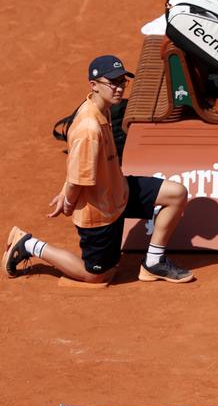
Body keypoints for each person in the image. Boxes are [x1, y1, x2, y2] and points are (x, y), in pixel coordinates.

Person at [3, 55, 194, 284]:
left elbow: (76, 161)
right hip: (100, 213)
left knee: (176, 194)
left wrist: (66, 190)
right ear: (93, 85)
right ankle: (29, 244)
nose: (119, 88)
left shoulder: (102, 108)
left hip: (118, 191)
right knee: (97, 276)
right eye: (112, 82)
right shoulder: (89, 128)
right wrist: (69, 200)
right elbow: (77, 179)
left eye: (122, 81)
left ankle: (153, 263)